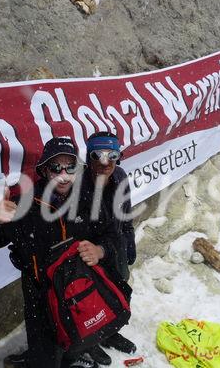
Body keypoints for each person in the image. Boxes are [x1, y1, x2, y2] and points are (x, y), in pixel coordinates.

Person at [0, 137, 118, 368]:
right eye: (55, 166)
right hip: (39, 296)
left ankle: (74, 357)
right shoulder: (23, 205)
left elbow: (111, 234)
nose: (63, 173)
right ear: (44, 170)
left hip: (79, 287)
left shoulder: (88, 199)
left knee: (75, 339)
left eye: (70, 166)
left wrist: (100, 250)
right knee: (44, 355)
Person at [81, 132, 137, 366]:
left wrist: (129, 241)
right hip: (88, 252)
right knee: (91, 299)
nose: (105, 163)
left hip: (114, 247)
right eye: (98, 155)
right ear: (88, 157)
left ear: (119, 157)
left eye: (112, 155)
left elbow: (125, 216)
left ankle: (109, 331)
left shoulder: (120, 177)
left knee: (117, 291)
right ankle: (90, 340)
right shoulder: (79, 185)